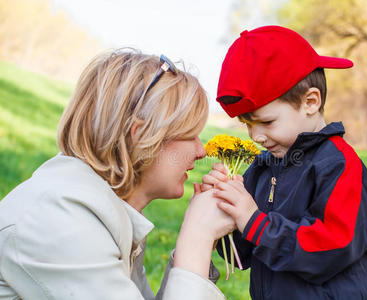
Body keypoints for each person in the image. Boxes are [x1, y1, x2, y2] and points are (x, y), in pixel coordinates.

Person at [0, 49, 232, 299]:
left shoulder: (100, 208)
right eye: (191, 136)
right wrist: (197, 236)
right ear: (143, 137)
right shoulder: (58, 219)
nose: (201, 151)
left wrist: (201, 248)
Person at [202, 25, 367, 299]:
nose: (256, 136)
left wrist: (253, 221)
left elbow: (331, 249)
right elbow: (243, 257)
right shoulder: (265, 166)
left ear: (310, 102)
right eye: (247, 125)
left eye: (266, 122)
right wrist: (224, 217)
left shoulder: (338, 165)